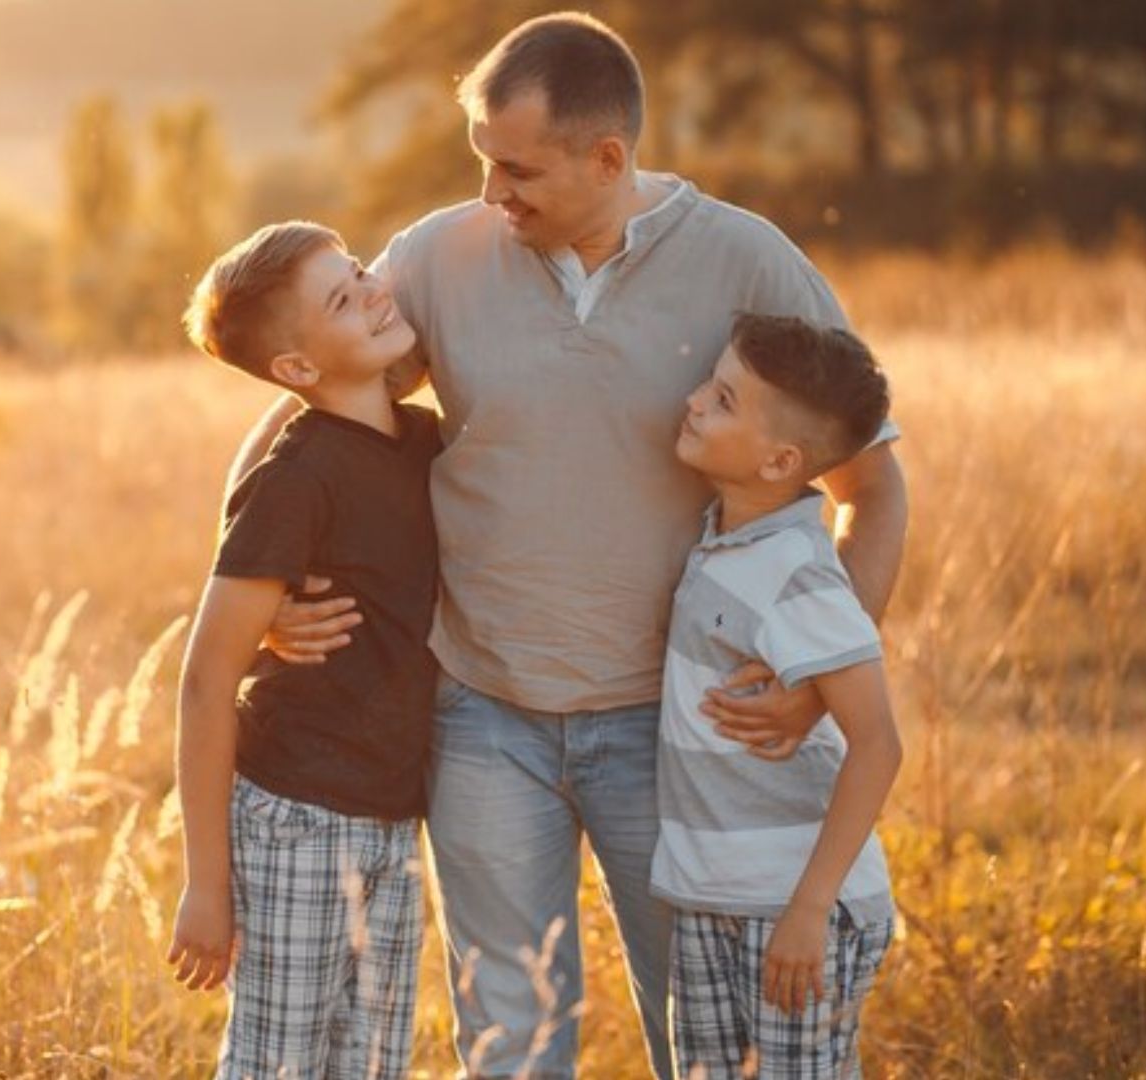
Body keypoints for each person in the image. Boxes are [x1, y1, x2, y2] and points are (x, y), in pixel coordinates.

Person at [232, 12, 909, 1078]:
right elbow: (308, 404)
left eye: (517, 170)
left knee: (702, 1039)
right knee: (510, 1044)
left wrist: (821, 677)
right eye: (482, 162)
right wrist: (256, 594)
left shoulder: (747, 260)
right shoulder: (439, 258)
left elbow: (871, 485)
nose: (492, 194)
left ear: (608, 157)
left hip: (674, 732)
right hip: (481, 718)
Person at [166, 220, 440, 1079]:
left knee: (371, 1066)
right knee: (277, 1066)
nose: (370, 290)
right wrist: (205, 885)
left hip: (394, 820)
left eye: (358, 270)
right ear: (295, 371)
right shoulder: (297, 479)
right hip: (296, 819)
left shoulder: (423, 441)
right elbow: (208, 682)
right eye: (339, 297)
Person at [653, 313, 900, 1078]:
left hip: (793, 907)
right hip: (710, 895)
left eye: (724, 400)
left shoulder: (798, 571)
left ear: (781, 461)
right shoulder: (725, 539)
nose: (694, 400)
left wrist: (809, 909)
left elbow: (879, 745)